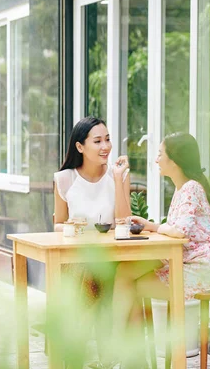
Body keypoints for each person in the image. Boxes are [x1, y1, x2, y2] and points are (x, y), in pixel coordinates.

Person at [111, 132, 210, 368]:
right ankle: (128, 354)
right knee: (125, 271)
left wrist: (159, 227)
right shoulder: (182, 188)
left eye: (160, 154)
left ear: (174, 161)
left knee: (129, 282)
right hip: (184, 260)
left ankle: (121, 350)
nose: (156, 160)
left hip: (201, 268)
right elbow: (177, 228)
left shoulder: (191, 188)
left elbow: (180, 231)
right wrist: (152, 226)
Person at [53, 116, 132, 368]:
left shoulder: (117, 175)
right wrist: (77, 232)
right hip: (76, 258)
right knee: (91, 276)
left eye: (107, 139)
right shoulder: (65, 179)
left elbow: (123, 221)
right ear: (80, 147)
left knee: (97, 276)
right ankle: (106, 357)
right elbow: (57, 224)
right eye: (97, 141)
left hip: (113, 258)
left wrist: (119, 180)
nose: (105, 146)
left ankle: (77, 352)